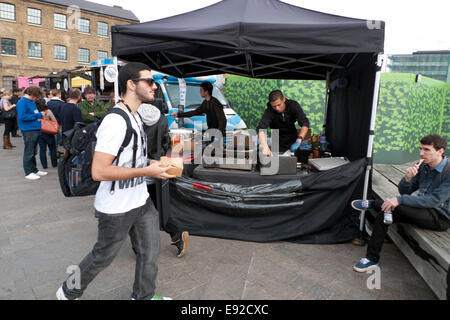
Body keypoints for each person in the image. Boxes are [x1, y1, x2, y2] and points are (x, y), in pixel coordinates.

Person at [56, 62, 175, 301]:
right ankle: (68, 291)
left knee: (150, 252)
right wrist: (147, 171)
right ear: (132, 84)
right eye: (149, 81)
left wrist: (154, 164)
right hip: (115, 208)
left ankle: (144, 295)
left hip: (141, 201)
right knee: (102, 255)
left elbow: (133, 160)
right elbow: (100, 171)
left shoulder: (135, 116)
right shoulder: (115, 121)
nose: (154, 87)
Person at [351, 134, 450, 272]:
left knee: (391, 205)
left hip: (439, 217)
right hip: (421, 210)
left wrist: (399, 200)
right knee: (385, 211)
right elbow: (405, 191)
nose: (421, 153)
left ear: (440, 151)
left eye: (426, 150)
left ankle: (375, 203)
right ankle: (371, 258)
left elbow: (433, 201)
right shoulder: (423, 166)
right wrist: (407, 179)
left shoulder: (448, 172)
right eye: (420, 149)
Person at [140, 103, 189, 258]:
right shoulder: (161, 118)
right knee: (154, 206)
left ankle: (143, 246)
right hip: (156, 167)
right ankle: (175, 235)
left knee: (140, 208)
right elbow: (166, 142)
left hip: (138, 169)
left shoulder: (135, 116)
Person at [257, 90, 310, 156]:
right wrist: (265, 146)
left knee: (293, 162)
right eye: (274, 106)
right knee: (277, 163)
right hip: (276, 139)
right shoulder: (269, 111)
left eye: (279, 105)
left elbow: (305, 123)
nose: (277, 108)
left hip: (293, 138)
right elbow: (261, 128)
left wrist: (299, 139)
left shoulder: (293, 105)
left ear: (284, 100)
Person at [16, 86, 48, 180]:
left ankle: (34, 170)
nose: (37, 98)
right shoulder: (22, 102)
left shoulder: (30, 101)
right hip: (28, 129)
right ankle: (28, 172)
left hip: (34, 128)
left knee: (33, 151)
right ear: (32, 94)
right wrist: (38, 115)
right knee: (29, 151)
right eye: (37, 96)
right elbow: (22, 117)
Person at [35, 98, 58, 169]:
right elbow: (54, 121)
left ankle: (44, 165)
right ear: (45, 104)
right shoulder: (48, 111)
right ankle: (54, 164)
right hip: (49, 132)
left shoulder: (35, 111)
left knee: (42, 149)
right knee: (52, 148)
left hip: (39, 131)